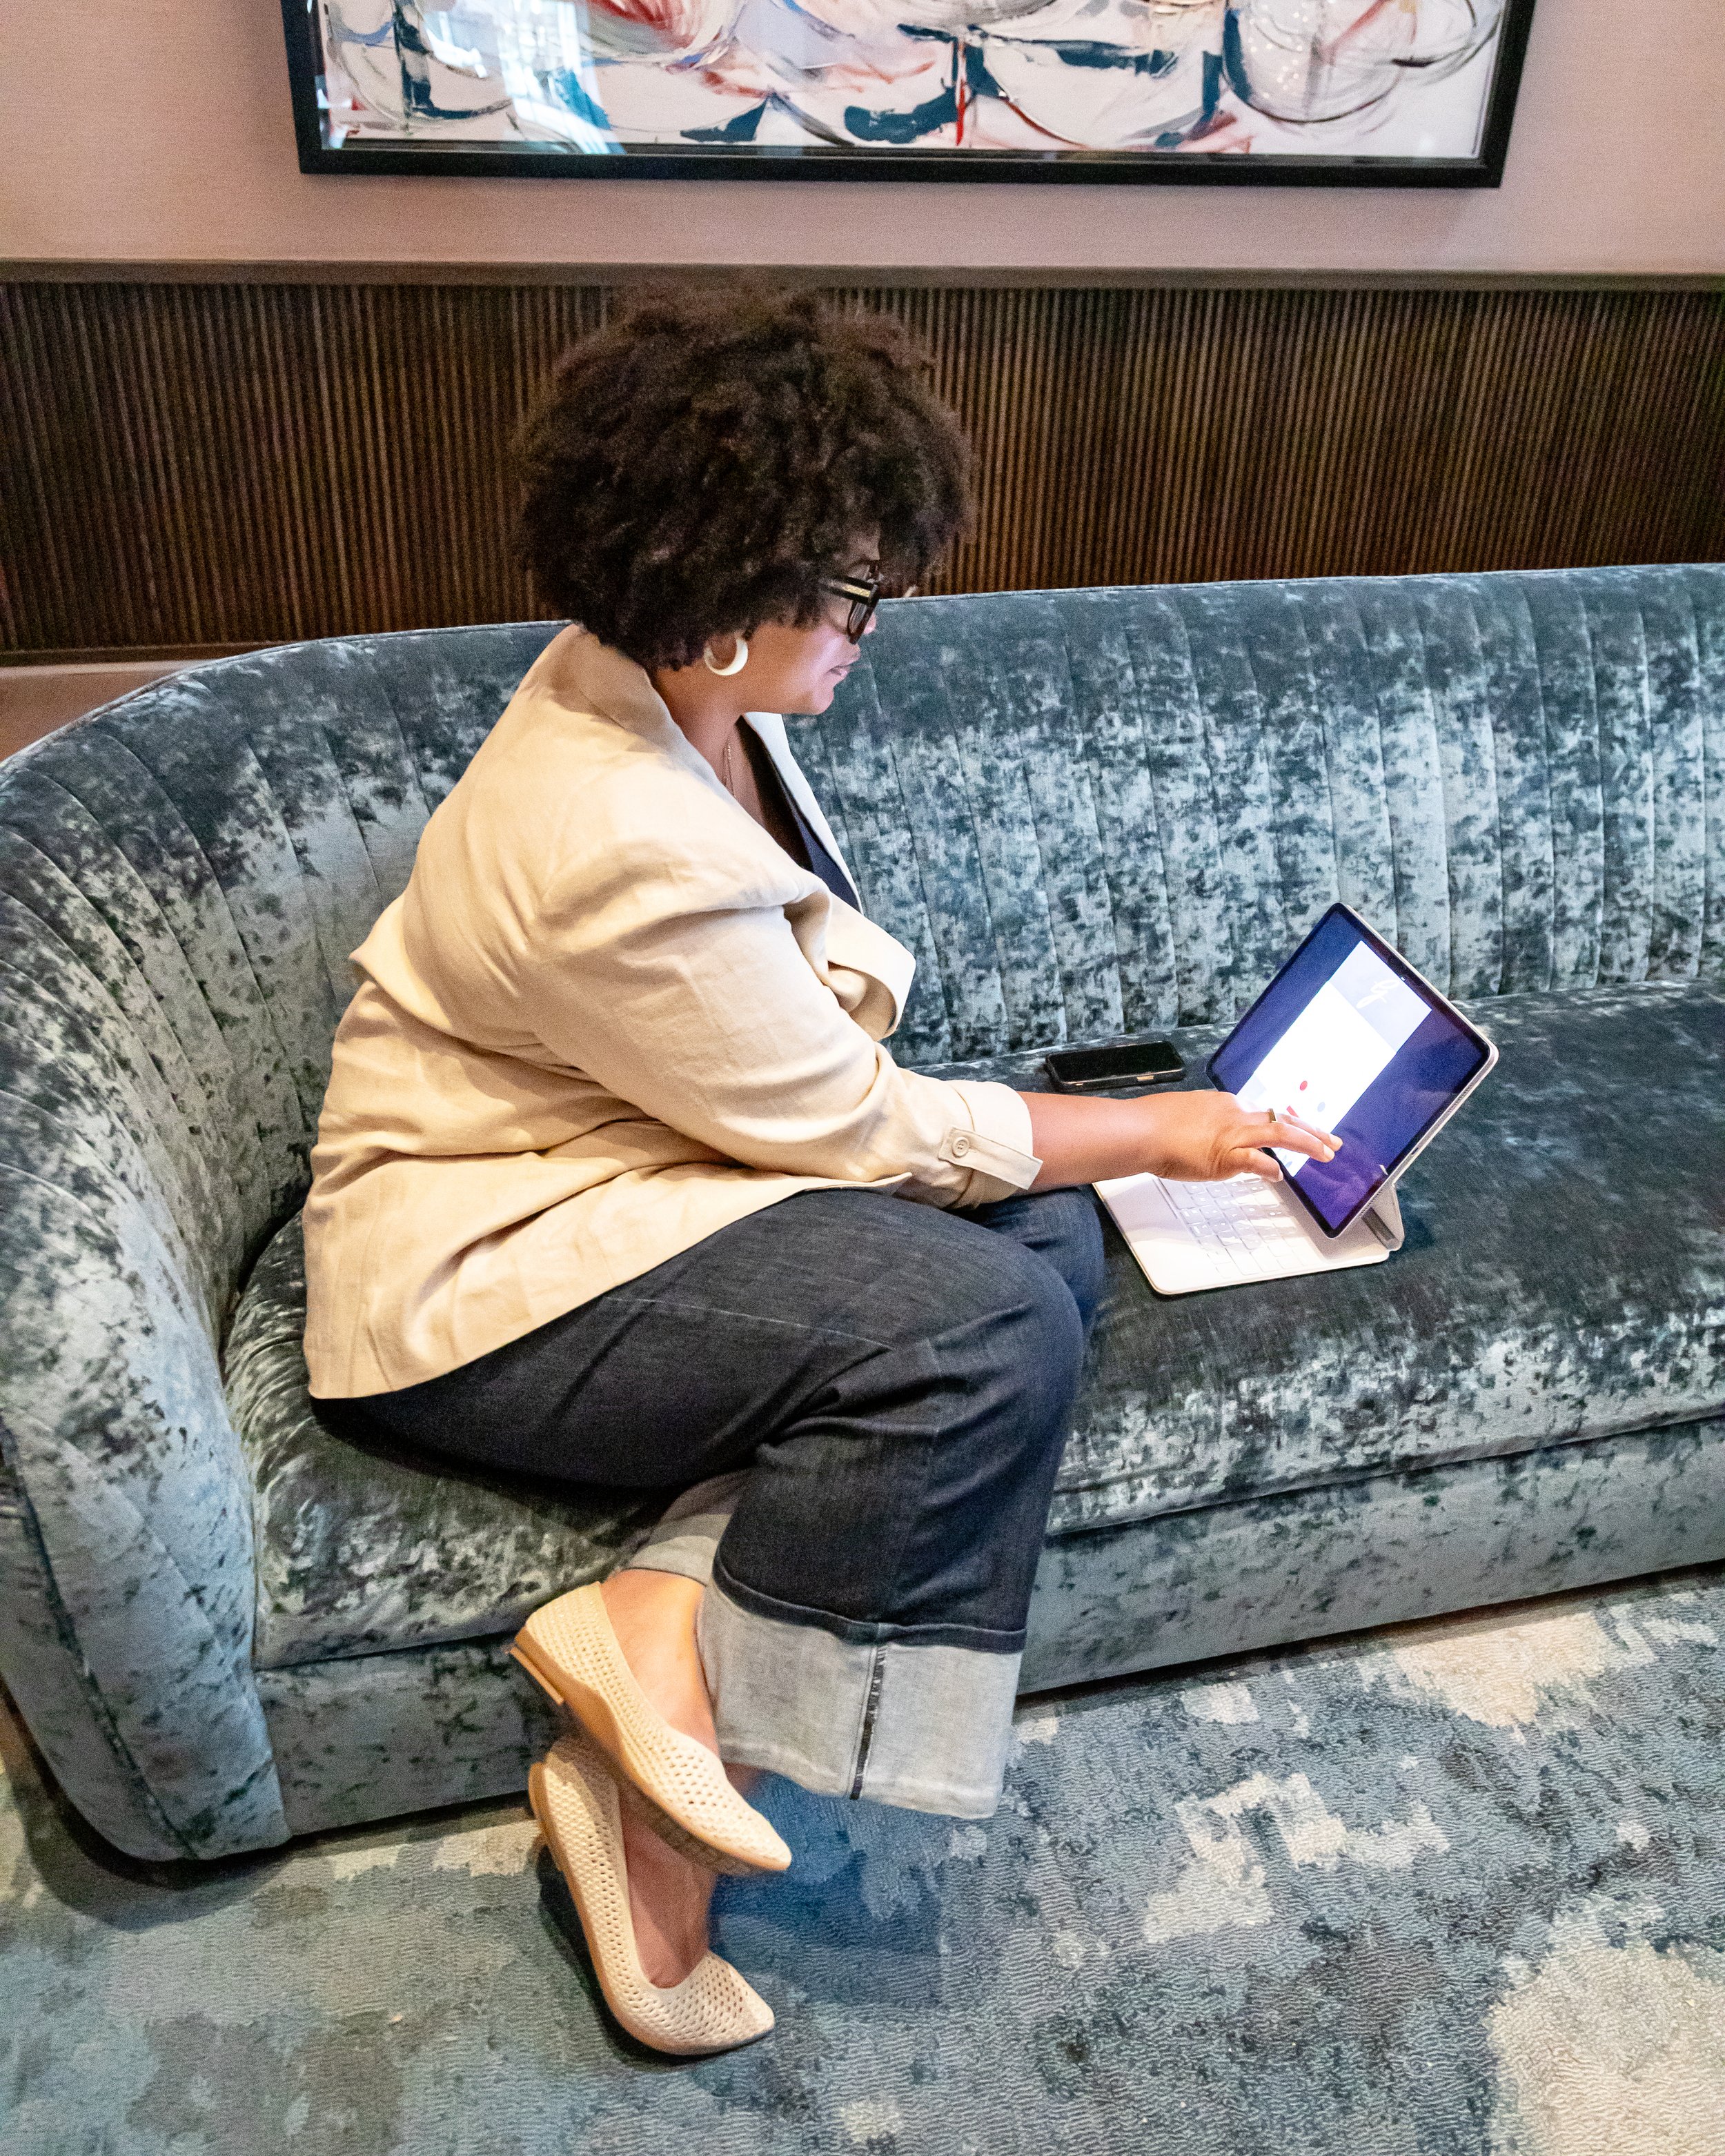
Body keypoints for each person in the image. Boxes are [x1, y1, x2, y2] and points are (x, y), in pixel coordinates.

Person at [301, 286, 1337, 2056]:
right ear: (712, 589)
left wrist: (1096, 1144)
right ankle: (670, 1833)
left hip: (620, 1168)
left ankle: (646, 1640)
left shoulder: (670, 696)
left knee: (1037, 1245)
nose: (876, 624)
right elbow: (854, 1126)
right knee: (980, 1329)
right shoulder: (611, 832)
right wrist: (1163, 1122)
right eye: (855, 589)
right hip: (476, 1271)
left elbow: (823, 1092)